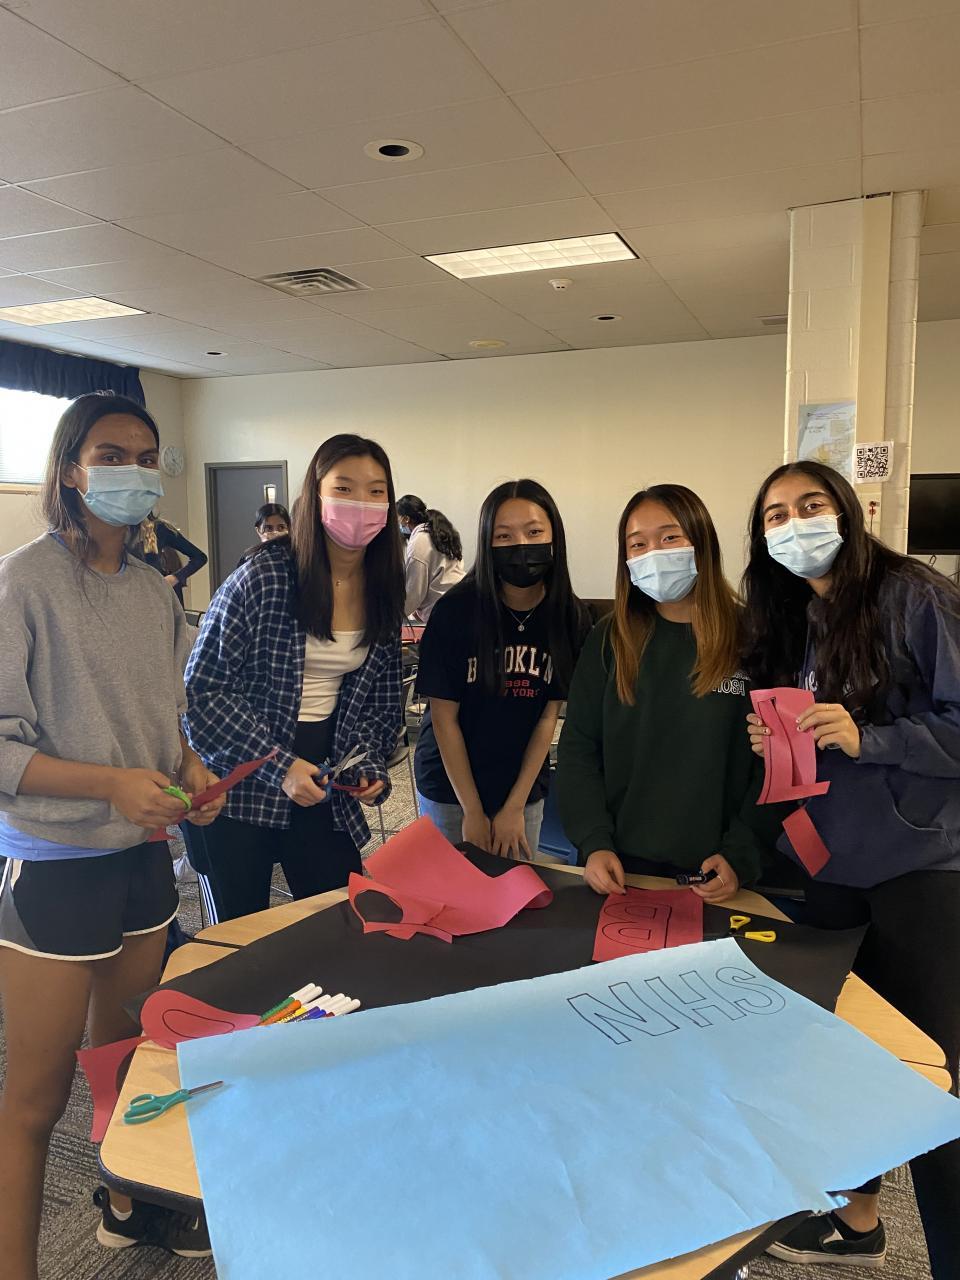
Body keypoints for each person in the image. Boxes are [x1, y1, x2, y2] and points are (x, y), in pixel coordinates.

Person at [0, 392, 224, 1280]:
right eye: (110, 455)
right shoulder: (21, 583)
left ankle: (123, 1206)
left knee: (122, 1066)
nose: (133, 472)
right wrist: (110, 786)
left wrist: (189, 772)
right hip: (57, 868)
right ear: (69, 469)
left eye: (146, 457)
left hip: (143, 863)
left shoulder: (153, 592)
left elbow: (166, 723)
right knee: (36, 1101)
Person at [741, 461, 960, 1275]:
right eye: (775, 515)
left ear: (847, 511)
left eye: (811, 505)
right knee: (844, 1059)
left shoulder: (915, 597)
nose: (794, 524)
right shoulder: (797, 614)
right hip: (830, 866)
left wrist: (872, 739)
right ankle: (858, 1225)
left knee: (932, 1079)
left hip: (918, 867)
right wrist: (778, 743)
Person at [184, 435, 405, 924]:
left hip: (324, 777)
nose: (361, 503)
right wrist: (279, 766)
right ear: (315, 496)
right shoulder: (264, 576)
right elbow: (202, 691)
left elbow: (382, 703)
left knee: (336, 921)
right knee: (242, 935)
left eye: (376, 491)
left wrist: (367, 765)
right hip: (241, 780)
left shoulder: (384, 586)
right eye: (344, 488)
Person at [556, 484, 769, 902]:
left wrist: (743, 852)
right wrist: (593, 842)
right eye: (638, 544)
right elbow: (579, 747)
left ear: (701, 541)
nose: (653, 553)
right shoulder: (610, 639)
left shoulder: (752, 637)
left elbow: (773, 763)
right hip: (623, 868)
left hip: (721, 871)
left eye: (670, 537)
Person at [414, 479, 588, 859]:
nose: (520, 545)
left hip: (520, 787)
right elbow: (444, 719)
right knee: (453, 891)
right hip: (451, 787)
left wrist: (514, 806)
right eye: (504, 535)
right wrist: (472, 811)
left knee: (517, 888)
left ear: (554, 537)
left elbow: (548, 716)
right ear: (487, 543)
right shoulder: (455, 611)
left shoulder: (569, 616)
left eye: (534, 532)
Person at [397, 494, 465, 622]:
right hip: (459, 602)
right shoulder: (437, 534)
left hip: (446, 611)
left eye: (397, 519)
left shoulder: (420, 541)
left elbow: (414, 593)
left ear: (405, 519)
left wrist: (393, 616)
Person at [129, 512, 207, 606]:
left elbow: (200, 557)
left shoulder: (159, 528)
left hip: (156, 598)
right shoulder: (120, 530)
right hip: (130, 596)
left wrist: (174, 578)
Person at [236, 502, 292, 567]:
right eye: (268, 528)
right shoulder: (252, 561)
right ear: (258, 531)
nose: (276, 533)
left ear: (289, 528)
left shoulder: (296, 557)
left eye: (281, 527)